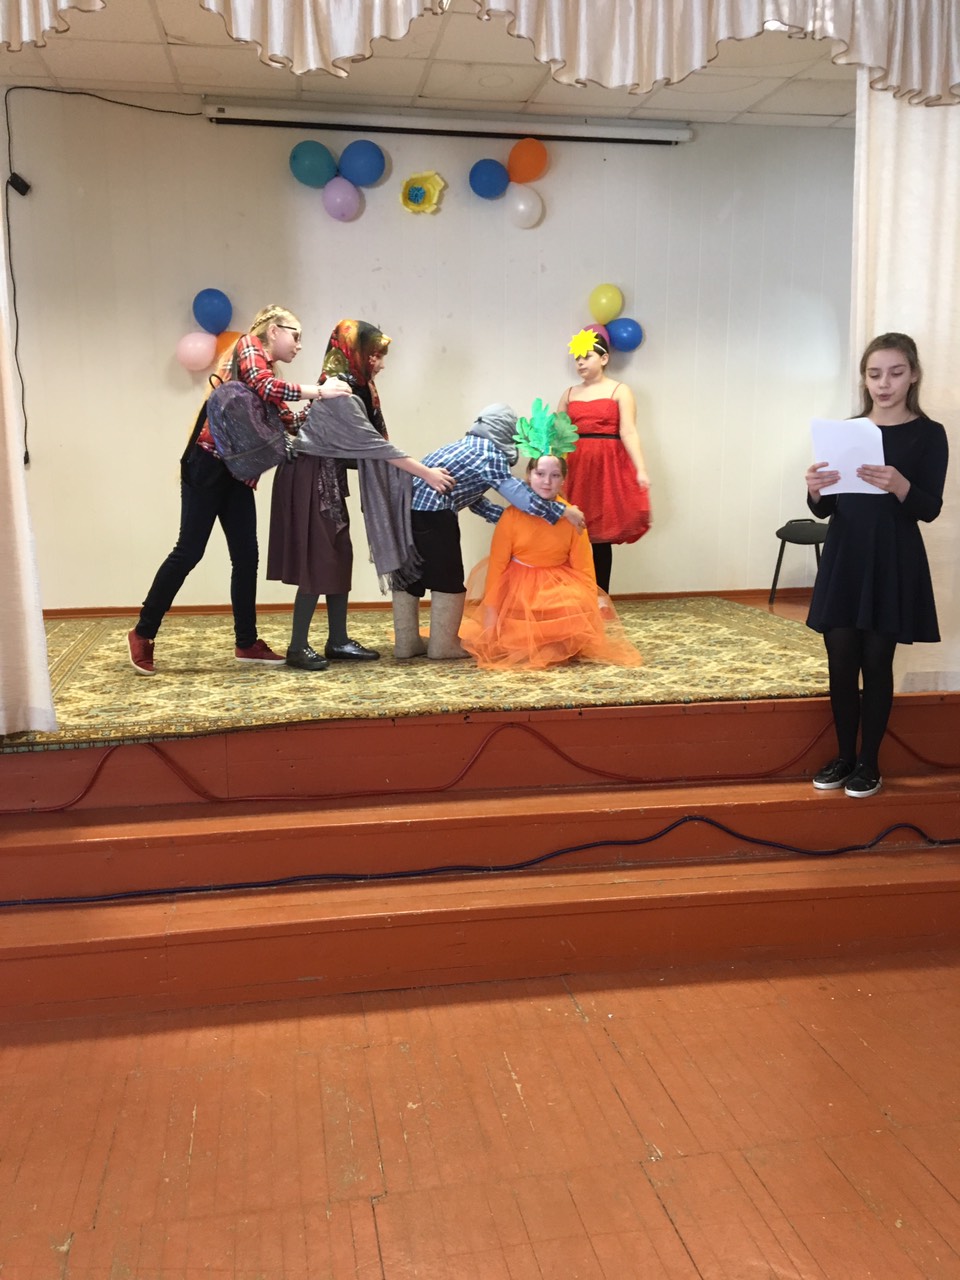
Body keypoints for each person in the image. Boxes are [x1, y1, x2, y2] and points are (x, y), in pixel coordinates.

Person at [127, 305, 348, 676]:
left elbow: (287, 420)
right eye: (295, 336)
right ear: (274, 330)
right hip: (207, 465)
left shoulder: (269, 374)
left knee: (246, 557)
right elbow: (266, 387)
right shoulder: (248, 346)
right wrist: (319, 392)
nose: (298, 346)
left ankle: (246, 641)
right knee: (189, 551)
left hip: (237, 474)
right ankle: (143, 632)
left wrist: (321, 406)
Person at [806, 332, 948, 798]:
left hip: (892, 559)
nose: (884, 384)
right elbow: (826, 508)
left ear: (913, 376)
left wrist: (900, 484)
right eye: (874, 374)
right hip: (845, 555)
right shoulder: (848, 431)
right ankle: (845, 756)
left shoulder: (929, 433)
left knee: (876, 661)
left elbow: (929, 508)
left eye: (895, 373)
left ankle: (870, 762)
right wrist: (814, 489)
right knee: (840, 660)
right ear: (864, 379)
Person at [267, 319, 454, 670]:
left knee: (339, 554)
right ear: (356, 353)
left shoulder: (351, 388)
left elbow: (367, 447)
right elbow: (375, 447)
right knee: (319, 557)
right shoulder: (340, 394)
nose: (380, 364)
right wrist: (426, 473)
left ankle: (338, 639)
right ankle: (297, 646)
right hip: (311, 478)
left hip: (325, 474)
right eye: (375, 356)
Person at [391, 402, 588, 661]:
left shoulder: (465, 447)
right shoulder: (489, 453)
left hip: (403, 511)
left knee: (409, 577)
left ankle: (406, 644)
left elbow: (473, 499)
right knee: (448, 579)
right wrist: (563, 511)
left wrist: (507, 520)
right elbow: (519, 496)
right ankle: (443, 646)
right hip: (433, 515)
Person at [459, 407, 642, 671]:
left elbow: (583, 565)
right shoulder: (512, 516)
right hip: (519, 583)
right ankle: (534, 640)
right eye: (540, 474)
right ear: (528, 476)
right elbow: (498, 564)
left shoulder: (572, 517)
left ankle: (559, 641)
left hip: (557, 582)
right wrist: (491, 610)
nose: (547, 481)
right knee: (519, 630)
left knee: (570, 605)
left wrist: (590, 602)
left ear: (563, 480)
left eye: (555, 475)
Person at [557, 328, 651, 593]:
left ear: (604, 358)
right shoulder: (569, 393)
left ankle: (601, 597)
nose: (580, 363)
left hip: (607, 469)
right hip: (575, 468)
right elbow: (557, 435)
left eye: (586, 357)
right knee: (572, 532)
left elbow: (628, 431)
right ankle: (573, 596)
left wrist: (641, 469)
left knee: (600, 535)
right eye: (577, 358)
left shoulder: (620, 391)